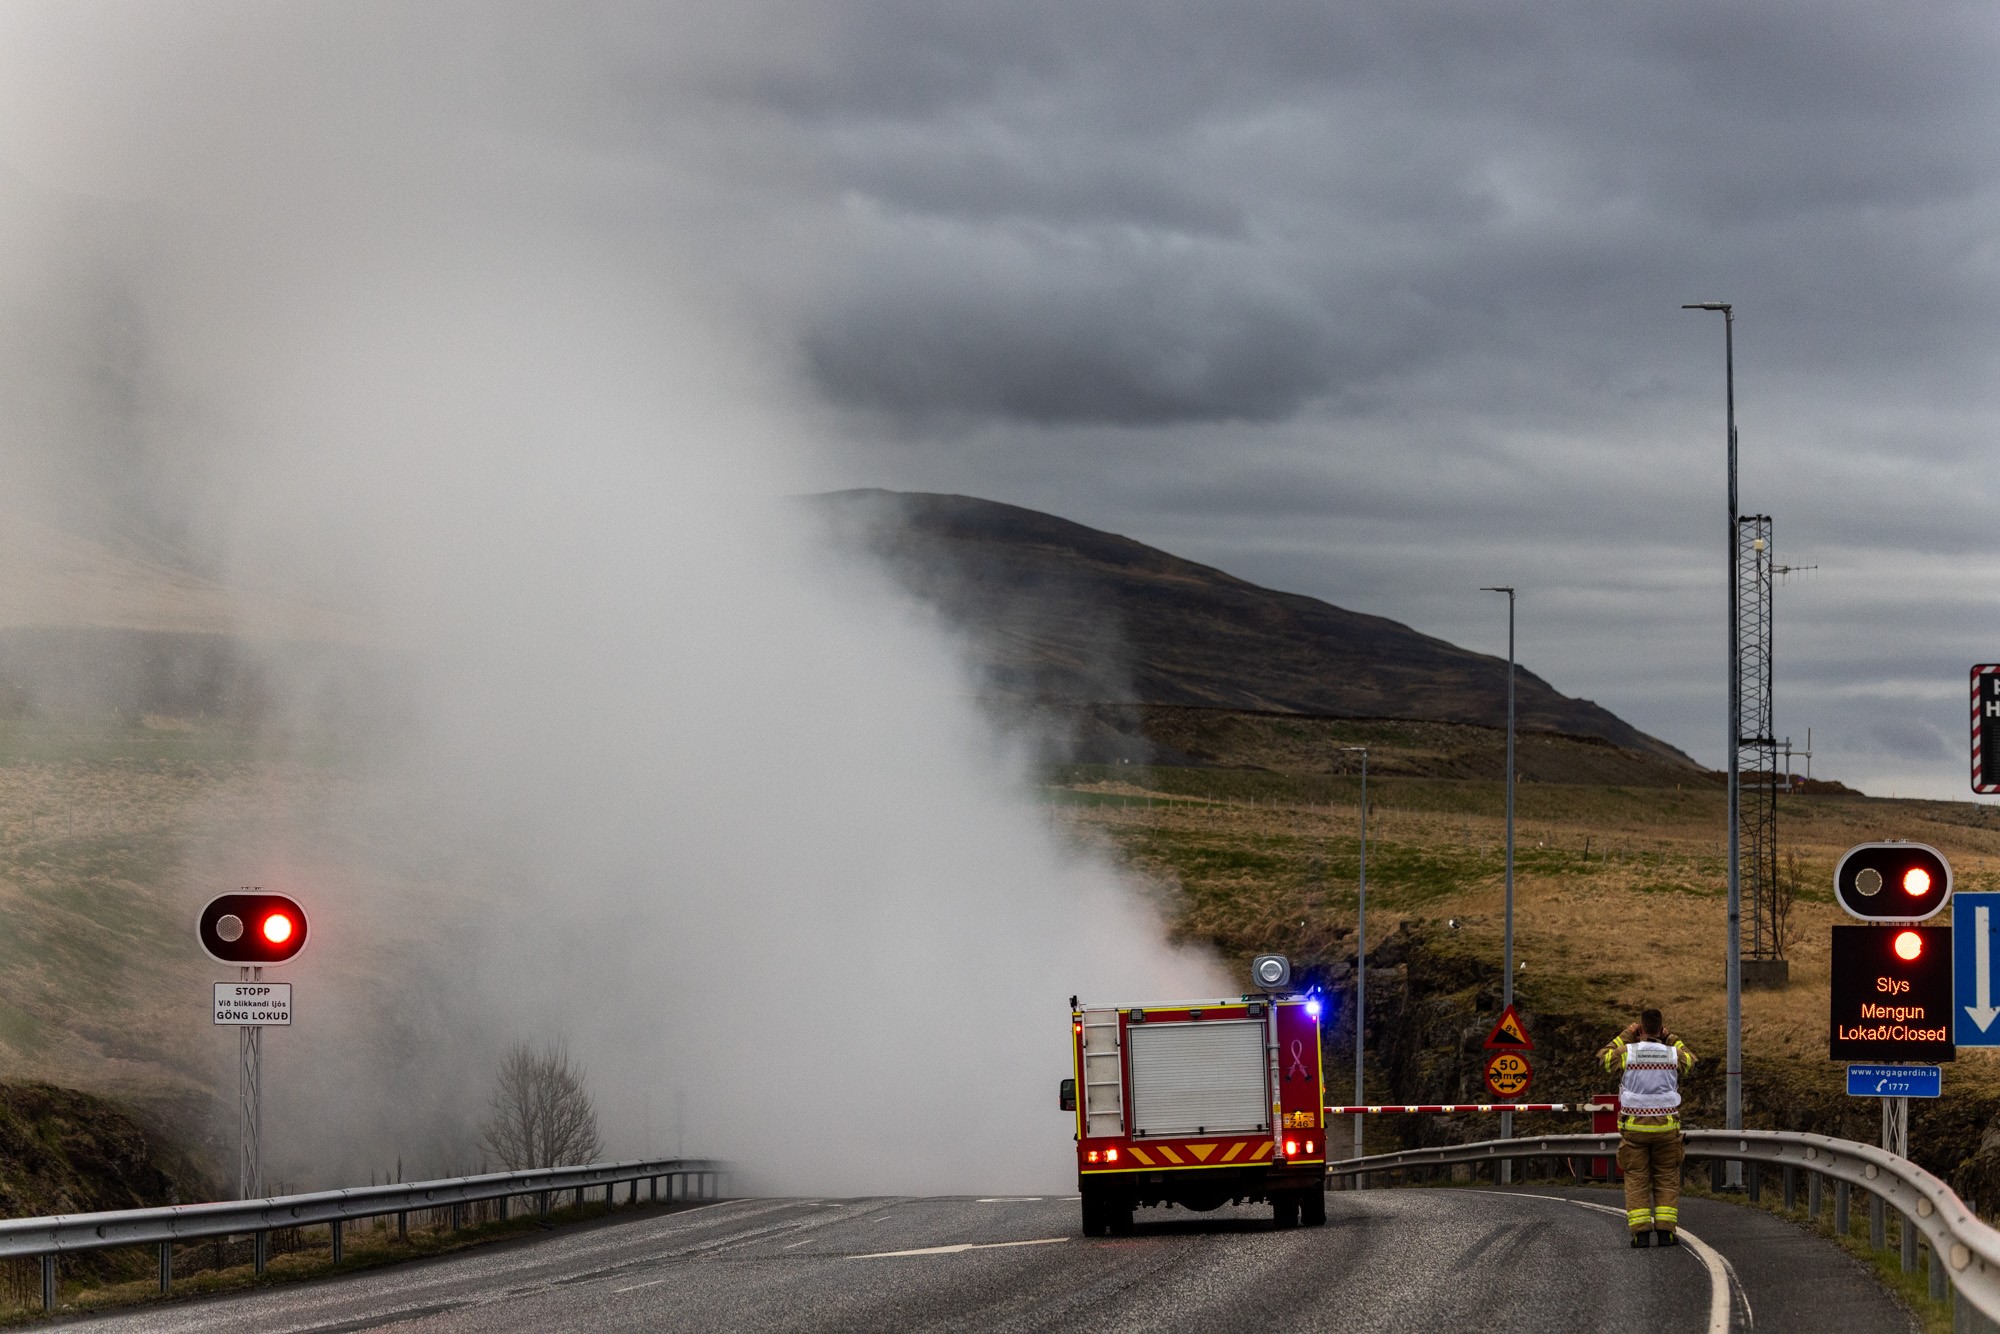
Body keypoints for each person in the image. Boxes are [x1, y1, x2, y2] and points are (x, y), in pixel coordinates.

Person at [1598, 1008, 1695, 1248]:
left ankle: (1640, 1235)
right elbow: (1691, 1060)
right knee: (1666, 1179)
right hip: (1666, 1130)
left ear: (1640, 1028)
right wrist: (1671, 1038)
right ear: (1660, 1029)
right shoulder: (1672, 1054)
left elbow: (1604, 1058)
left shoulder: (1628, 1053)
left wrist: (1626, 1035)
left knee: (1637, 1180)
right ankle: (1666, 1233)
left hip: (1634, 1131)